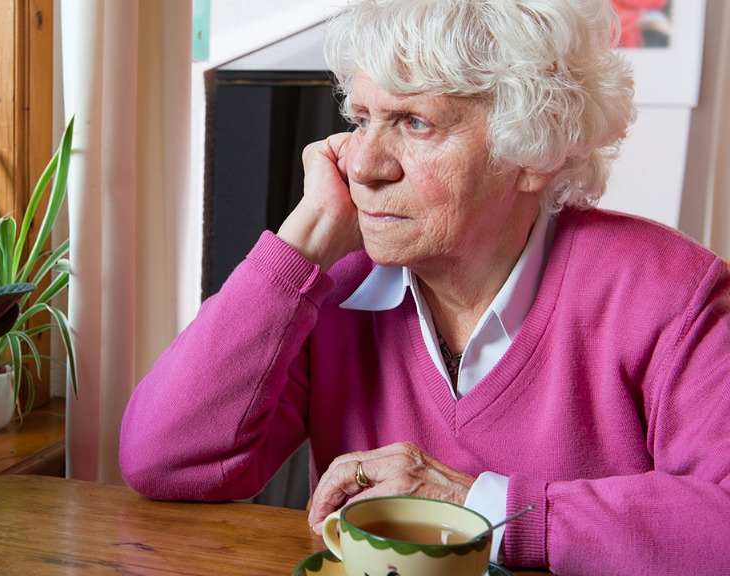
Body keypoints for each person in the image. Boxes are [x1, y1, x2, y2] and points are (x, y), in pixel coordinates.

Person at [119, 0, 730, 573]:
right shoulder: (334, 292)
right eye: (360, 119)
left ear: (535, 148)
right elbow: (164, 460)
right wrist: (297, 247)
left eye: (415, 122)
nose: (362, 165)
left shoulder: (672, 295)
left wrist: (484, 507)